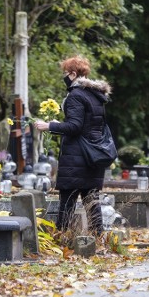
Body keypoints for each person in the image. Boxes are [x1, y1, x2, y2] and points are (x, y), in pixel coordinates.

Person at [35, 55, 110, 235]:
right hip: (92, 156)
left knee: (67, 203)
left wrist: (49, 126)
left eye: (66, 73)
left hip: (76, 158)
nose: (65, 77)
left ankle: (61, 239)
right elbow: (88, 126)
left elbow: (75, 126)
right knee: (92, 202)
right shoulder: (95, 95)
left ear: (73, 74)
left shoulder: (75, 95)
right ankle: (98, 240)